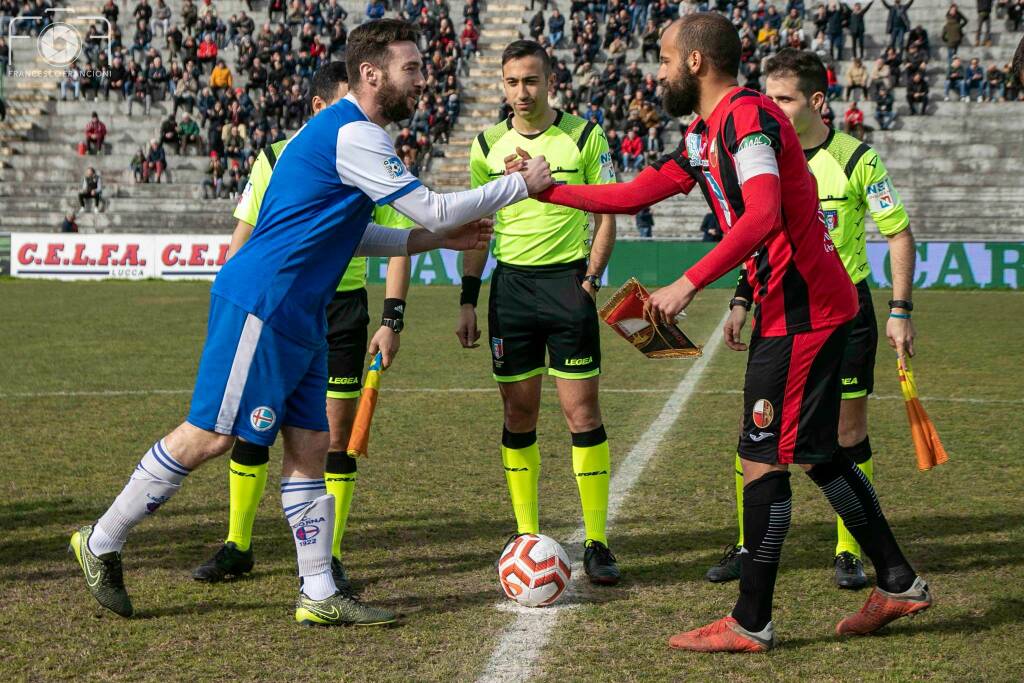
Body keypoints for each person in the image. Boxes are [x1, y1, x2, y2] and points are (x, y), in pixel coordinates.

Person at [69, 20, 554, 626]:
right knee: (212, 435)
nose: (422, 79)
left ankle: (319, 591)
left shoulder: (353, 136)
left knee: (311, 447)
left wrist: (431, 239)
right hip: (265, 304)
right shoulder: (354, 134)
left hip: (300, 312)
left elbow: (354, 235)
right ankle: (100, 540)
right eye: (411, 68)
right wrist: (519, 185)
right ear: (372, 73)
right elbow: (429, 203)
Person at [534, 14, 931, 652]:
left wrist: (688, 282)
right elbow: (635, 193)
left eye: (664, 59)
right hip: (791, 309)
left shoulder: (747, 119)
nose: (656, 72)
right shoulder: (703, 134)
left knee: (761, 457)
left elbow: (766, 213)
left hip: (803, 311)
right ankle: (899, 581)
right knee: (820, 452)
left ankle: (752, 620)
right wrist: (548, 190)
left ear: (695, 63)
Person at [191, 62, 414, 602]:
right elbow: (243, 238)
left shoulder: (375, 152)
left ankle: (326, 558)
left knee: (330, 439)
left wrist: (392, 319)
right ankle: (237, 543)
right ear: (320, 108)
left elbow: (402, 237)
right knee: (251, 430)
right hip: (279, 305)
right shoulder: (278, 157)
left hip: (342, 311)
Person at [705, 48, 920, 591]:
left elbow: (898, 232)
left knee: (844, 435)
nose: (770, 107)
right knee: (756, 431)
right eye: (767, 97)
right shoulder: (764, 157)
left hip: (843, 313)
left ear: (816, 101)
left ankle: (848, 551)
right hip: (781, 308)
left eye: (784, 98)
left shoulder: (855, 159)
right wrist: (740, 300)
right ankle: (747, 544)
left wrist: (900, 309)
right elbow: (755, 233)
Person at [462, 39, 621, 586]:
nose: (521, 92)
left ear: (549, 82)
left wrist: (592, 278)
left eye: (530, 81)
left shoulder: (583, 136)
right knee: (518, 415)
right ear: (502, 85)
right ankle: (526, 533)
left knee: (582, 416)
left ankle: (597, 541)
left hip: (567, 284)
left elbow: (606, 212)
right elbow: (479, 228)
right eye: (511, 82)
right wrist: (467, 295)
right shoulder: (485, 146)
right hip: (510, 290)